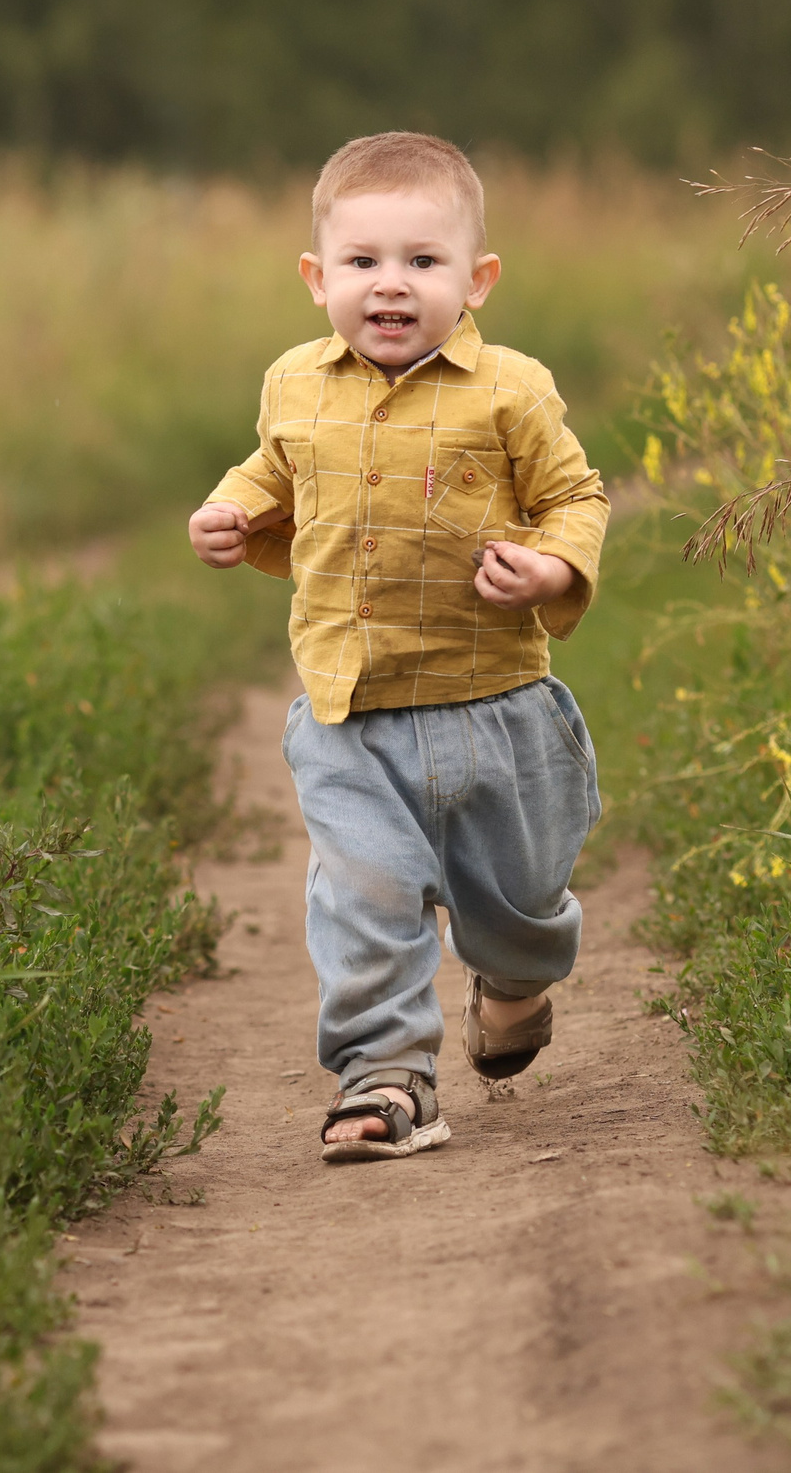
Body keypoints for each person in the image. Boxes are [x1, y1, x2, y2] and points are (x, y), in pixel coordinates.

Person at [187, 132, 608, 1164]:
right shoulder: (295, 382)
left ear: (477, 281)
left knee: (514, 909)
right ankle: (383, 1074)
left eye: (423, 262)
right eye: (363, 262)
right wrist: (230, 512)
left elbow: (572, 498)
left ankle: (512, 981)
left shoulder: (510, 388)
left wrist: (552, 571)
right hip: (350, 712)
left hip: (495, 706)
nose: (391, 286)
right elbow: (272, 470)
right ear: (315, 277)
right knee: (363, 892)